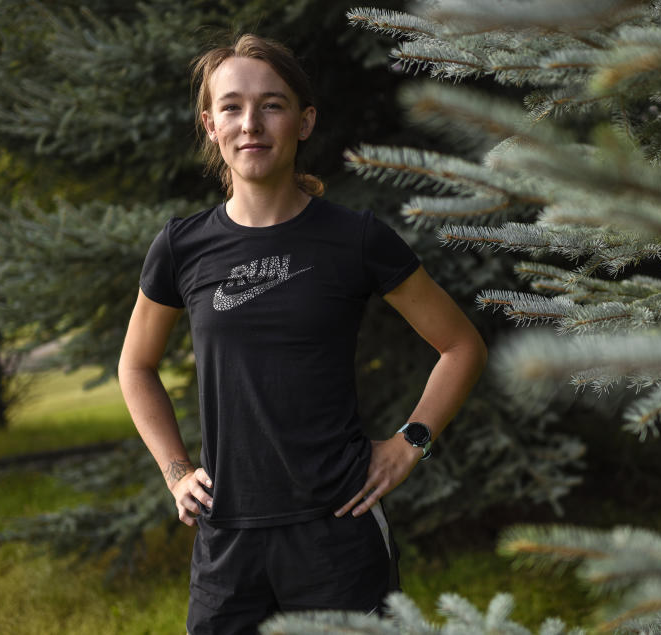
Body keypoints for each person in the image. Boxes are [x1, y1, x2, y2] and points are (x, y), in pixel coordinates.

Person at [117, 34, 487, 634]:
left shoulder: (356, 238)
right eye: (232, 107)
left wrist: (410, 443)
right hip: (227, 536)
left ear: (304, 120)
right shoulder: (181, 247)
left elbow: (461, 345)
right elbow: (135, 366)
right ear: (210, 125)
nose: (251, 123)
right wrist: (176, 470)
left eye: (273, 104)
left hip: (337, 531)